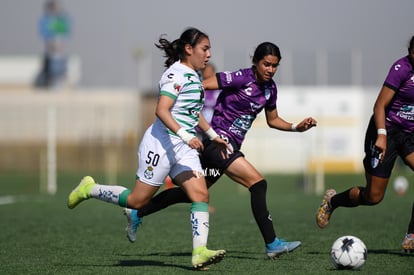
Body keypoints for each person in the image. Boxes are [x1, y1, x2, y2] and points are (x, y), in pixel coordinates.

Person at [125, 42, 318, 259]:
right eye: (266, 64)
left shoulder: (270, 89)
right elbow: (202, 86)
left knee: (191, 194)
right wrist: (182, 104)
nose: (270, 70)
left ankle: (138, 211)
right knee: (258, 183)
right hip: (217, 145)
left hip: (226, 148)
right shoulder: (240, 77)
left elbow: (273, 120)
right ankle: (272, 243)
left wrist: (295, 127)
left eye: (275, 66)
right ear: (255, 62)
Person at [67, 27, 231, 270]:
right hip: (161, 144)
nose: (208, 54)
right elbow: (161, 111)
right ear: (189, 49)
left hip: (183, 149)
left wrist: (213, 136)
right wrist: (186, 136)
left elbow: (193, 113)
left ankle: (199, 252)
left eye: (209, 49)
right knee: (137, 201)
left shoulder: (195, 76)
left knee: (200, 195)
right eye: (204, 49)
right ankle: (90, 188)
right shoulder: (175, 75)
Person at [316, 35, 414, 253]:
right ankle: (333, 201)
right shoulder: (401, 69)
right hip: (385, 132)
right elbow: (379, 105)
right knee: (373, 196)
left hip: (409, 135)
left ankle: (412, 234)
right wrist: (381, 135)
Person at [37, 0, 71, 88]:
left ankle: (59, 81)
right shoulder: (47, 19)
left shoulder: (62, 20)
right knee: (51, 64)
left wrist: (59, 44)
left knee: (59, 64)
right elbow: (45, 33)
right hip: (50, 51)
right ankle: (50, 82)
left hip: (60, 51)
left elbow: (64, 33)